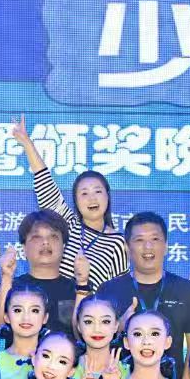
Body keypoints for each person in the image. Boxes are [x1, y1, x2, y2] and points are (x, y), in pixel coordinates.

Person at [11, 116, 129, 290]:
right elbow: (45, 183)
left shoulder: (117, 243)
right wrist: (27, 144)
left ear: (108, 196)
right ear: (76, 201)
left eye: (97, 191)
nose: (92, 199)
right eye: (84, 193)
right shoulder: (67, 224)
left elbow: (119, 290)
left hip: (90, 306)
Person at [94, 212, 190, 376]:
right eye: (139, 240)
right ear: (127, 248)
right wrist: (117, 327)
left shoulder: (186, 289)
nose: (148, 246)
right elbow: (93, 342)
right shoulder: (108, 290)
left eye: (155, 239)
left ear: (166, 246)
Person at [0, 211, 76, 332]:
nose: (45, 242)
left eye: (53, 236)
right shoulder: (12, 286)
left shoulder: (77, 289)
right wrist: (6, 277)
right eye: (36, 237)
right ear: (24, 248)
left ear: (64, 246)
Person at [0, 284, 49, 379]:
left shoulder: (55, 362)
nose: (26, 318)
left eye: (34, 310)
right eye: (18, 310)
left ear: (45, 318)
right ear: (6, 317)